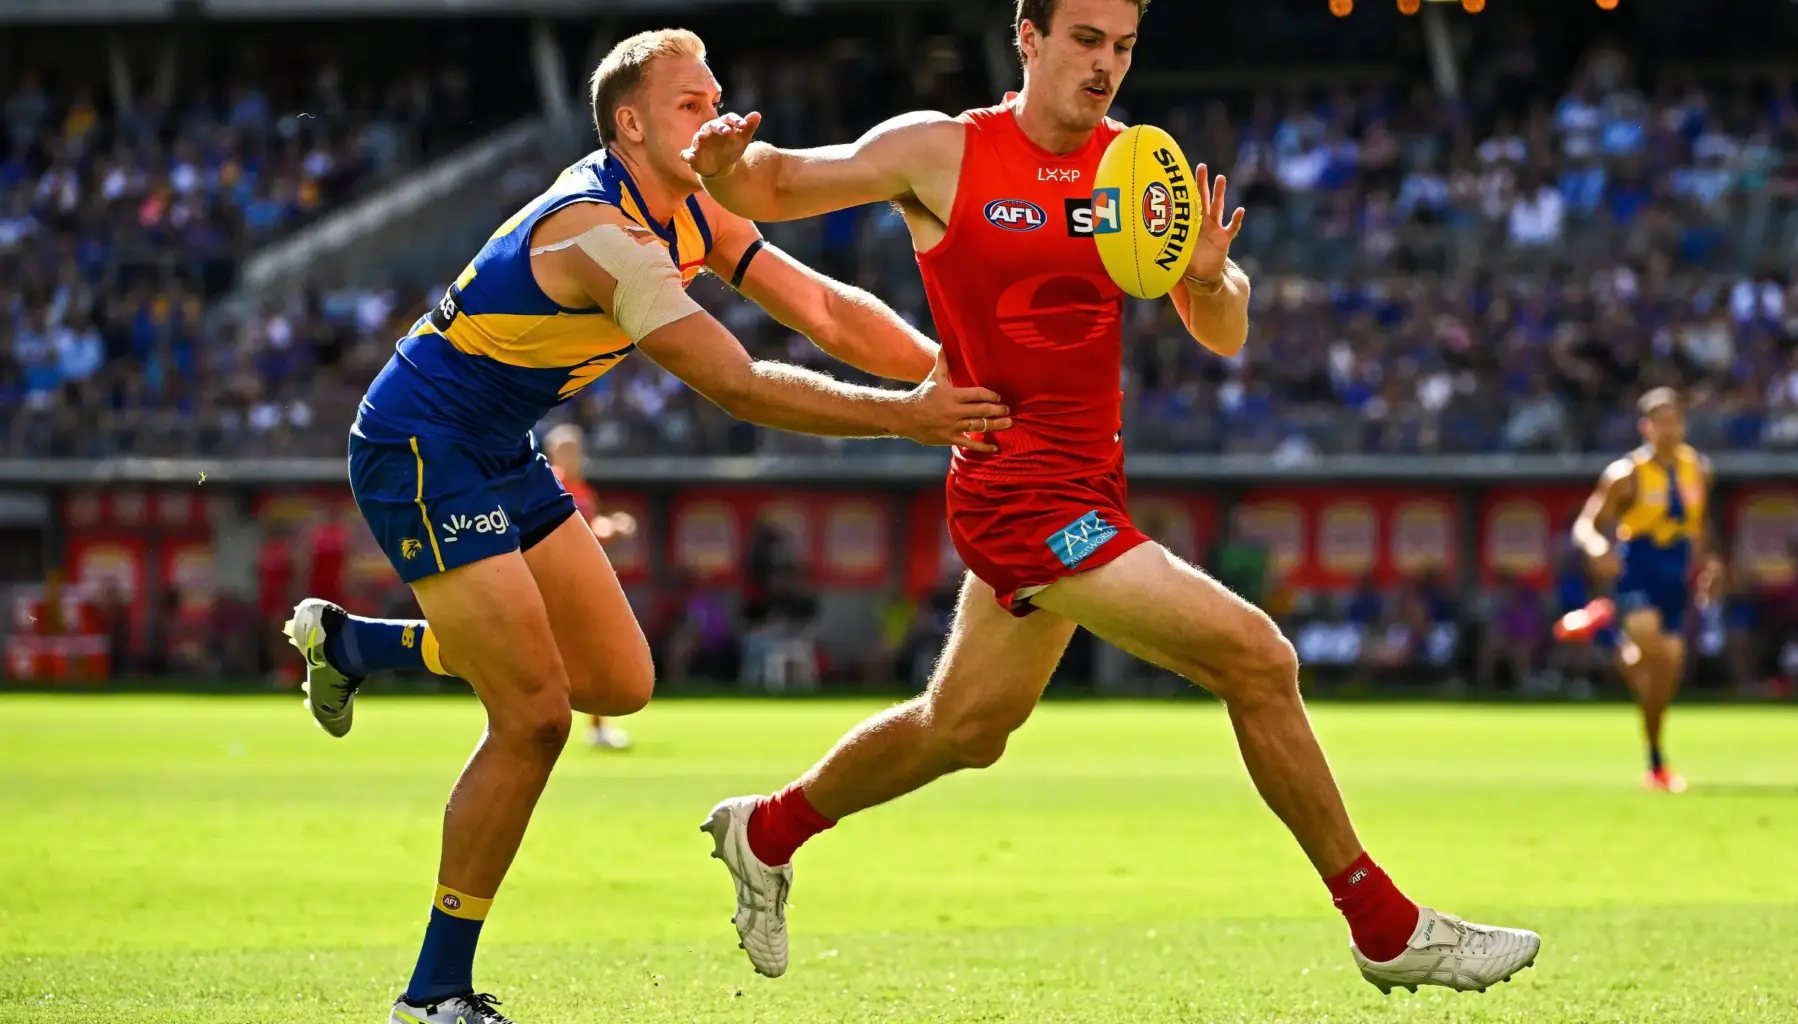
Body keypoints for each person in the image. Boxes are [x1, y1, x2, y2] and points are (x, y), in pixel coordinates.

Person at [685, 0, 1539, 996]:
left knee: (967, 728)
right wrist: (722, 168)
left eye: (1124, 46)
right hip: (1017, 496)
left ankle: (767, 828)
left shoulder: (1136, 166)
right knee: (1259, 659)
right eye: (1086, 40)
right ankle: (1384, 923)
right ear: (1030, 37)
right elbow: (780, 183)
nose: (1106, 65)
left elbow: (1222, 330)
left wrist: (1215, 281)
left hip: (1088, 487)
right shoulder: (943, 151)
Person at [281, 29, 1012, 1024]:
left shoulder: (692, 207)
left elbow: (826, 313)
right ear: (630, 124)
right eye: (688, 102)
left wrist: (950, 375)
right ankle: (433, 992)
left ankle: (356, 642)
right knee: (534, 712)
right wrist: (912, 417)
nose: (714, 114)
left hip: (498, 442)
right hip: (421, 446)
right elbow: (738, 384)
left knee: (618, 681)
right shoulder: (600, 235)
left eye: (717, 93)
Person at [1565, 387, 1719, 793]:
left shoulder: (1698, 470)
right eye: (1660, 422)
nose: (1669, 431)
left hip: (1676, 569)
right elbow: (1585, 524)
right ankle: (1616, 633)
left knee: (1667, 668)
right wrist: (1598, 547)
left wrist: (1708, 564)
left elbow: (1700, 526)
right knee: (1654, 645)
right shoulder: (1626, 474)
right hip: (1639, 567)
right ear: (1645, 427)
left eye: (1675, 421)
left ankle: (1655, 758)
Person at [540, 422, 637, 750]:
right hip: (555, 582)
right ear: (553, 451)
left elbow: (588, 528)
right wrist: (610, 528)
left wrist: (612, 526)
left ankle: (595, 727)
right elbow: (572, 530)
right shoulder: (548, 482)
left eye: (577, 448)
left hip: (577, 581)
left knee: (593, 653)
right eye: (568, 448)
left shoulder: (580, 488)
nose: (575, 454)